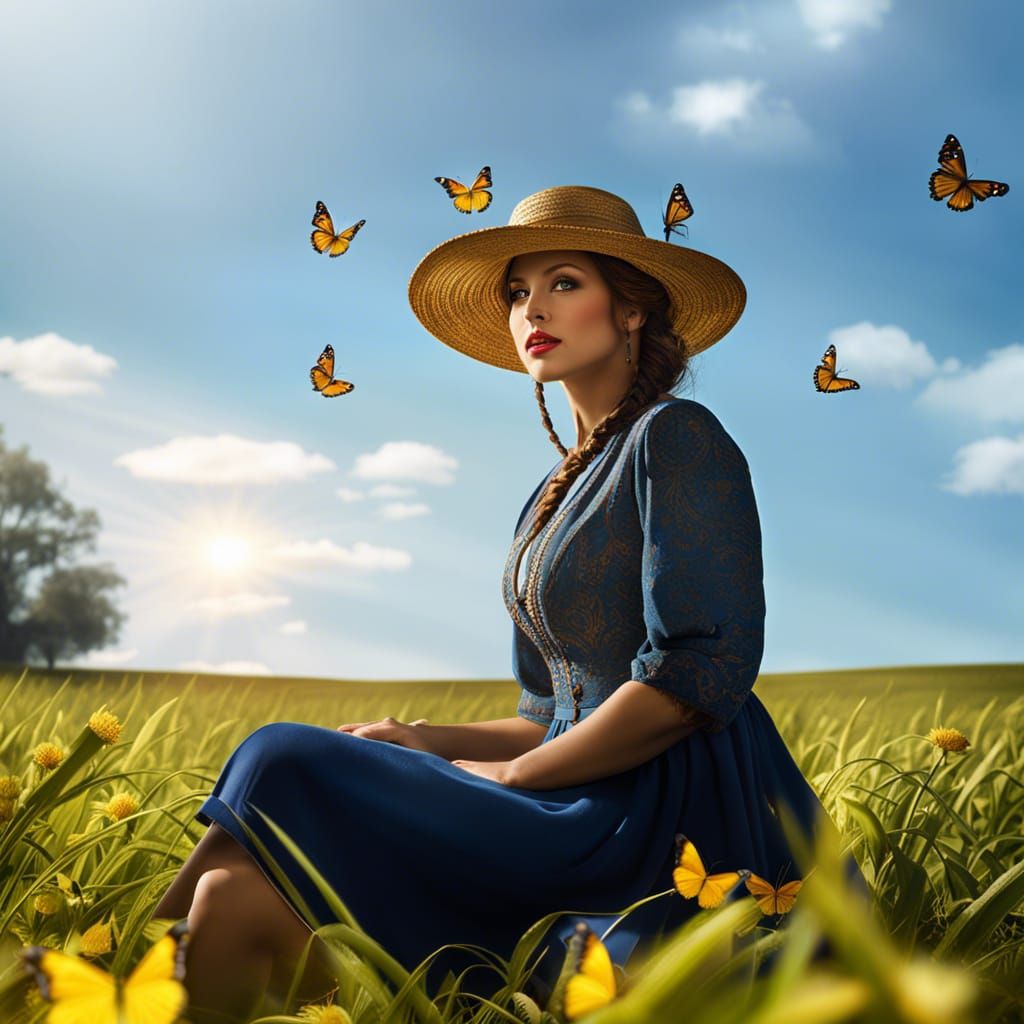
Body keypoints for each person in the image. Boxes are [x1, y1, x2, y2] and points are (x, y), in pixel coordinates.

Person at [152, 185, 866, 1022]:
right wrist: (423, 739)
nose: (534, 308)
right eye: (518, 292)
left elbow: (697, 677)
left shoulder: (677, 436)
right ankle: (121, 991)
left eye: (564, 283)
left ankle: (100, 972)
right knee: (231, 898)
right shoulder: (551, 493)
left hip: (659, 811)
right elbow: (546, 710)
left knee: (283, 755)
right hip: (569, 783)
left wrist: (514, 777)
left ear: (631, 309)